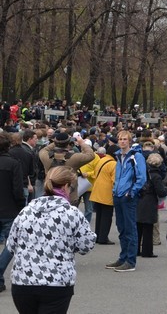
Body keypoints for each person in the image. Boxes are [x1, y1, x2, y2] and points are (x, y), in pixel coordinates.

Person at [5, 166, 96, 313]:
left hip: (23, 281)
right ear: (67, 186)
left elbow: (10, 245)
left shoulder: (26, 211)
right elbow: (86, 245)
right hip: (57, 282)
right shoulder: (72, 213)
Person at [106, 130, 147, 273]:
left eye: (125, 139)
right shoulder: (119, 156)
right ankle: (123, 258)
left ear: (129, 141)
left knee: (130, 229)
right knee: (121, 228)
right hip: (118, 195)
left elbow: (142, 178)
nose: (122, 141)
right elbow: (118, 176)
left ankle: (130, 261)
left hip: (128, 196)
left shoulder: (137, 156)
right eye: (120, 139)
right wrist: (114, 191)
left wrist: (131, 192)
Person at [0, 131, 25, 293]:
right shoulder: (14, 164)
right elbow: (17, 190)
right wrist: (21, 205)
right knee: (10, 245)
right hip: (9, 209)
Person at [136, 153, 167, 258]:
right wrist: (166, 189)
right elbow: (161, 192)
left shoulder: (143, 172)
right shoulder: (156, 176)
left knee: (138, 227)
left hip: (140, 199)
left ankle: (135, 250)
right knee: (148, 228)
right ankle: (147, 251)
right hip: (150, 201)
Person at [89, 147, 116, 245]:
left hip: (97, 190)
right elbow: (114, 180)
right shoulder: (113, 164)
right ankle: (103, 238)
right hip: (107, 193)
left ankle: (97, 235)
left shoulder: (102, 160)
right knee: (107, 216)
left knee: (99, 216)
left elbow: (95, 173)